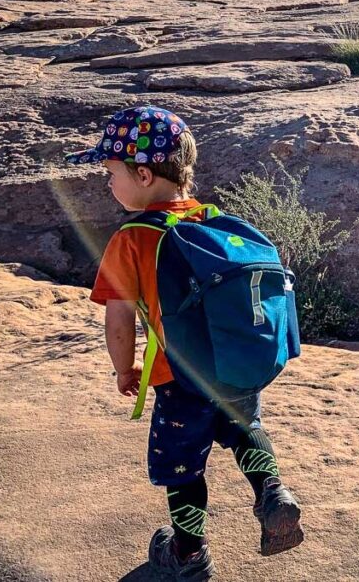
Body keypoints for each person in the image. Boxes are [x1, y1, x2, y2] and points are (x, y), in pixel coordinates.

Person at [65, 106, 304, 580]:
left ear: (143, 173)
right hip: (232, 363)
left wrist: (124, 369)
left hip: (179, 378)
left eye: (110, 173)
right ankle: (272, 490)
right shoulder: (210, 221)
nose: (108, 184)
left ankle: (189, 554)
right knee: (243, 427)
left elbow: (119, 320)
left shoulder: (133, 237)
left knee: (183, 469)